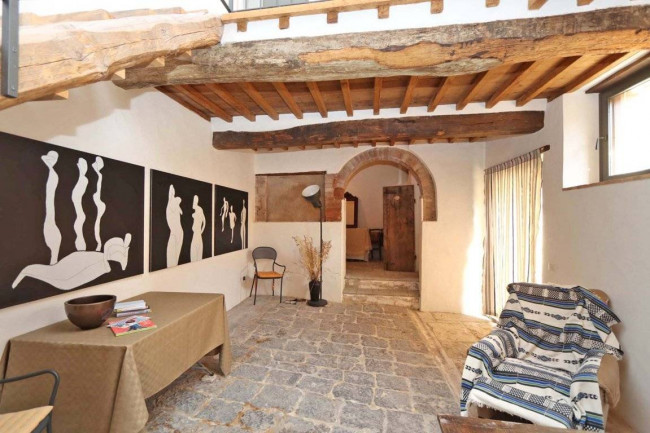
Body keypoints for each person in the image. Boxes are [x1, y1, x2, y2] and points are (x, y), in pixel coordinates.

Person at [190, 195, 206, 262]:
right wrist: (201, 231)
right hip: (198, 235)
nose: (193, 202)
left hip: (197, 235)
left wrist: (201, 231)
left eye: (194, 200)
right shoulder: (199, 210)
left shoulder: (198, 209)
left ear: (196, 201)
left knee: (194, 258)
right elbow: (204, 222)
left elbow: (204, 222)